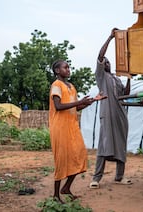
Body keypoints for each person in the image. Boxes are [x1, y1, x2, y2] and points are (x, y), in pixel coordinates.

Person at [49, 59, 106, 203]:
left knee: (79, 156)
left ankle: (66, 188)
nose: (68, 69)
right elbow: (58, 106)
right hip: (60, 127)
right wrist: (80, 102)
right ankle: (56, 195)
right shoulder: (56, 85)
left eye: (69, 67)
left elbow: (76, 107)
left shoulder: (71, 87)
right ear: (57, 71)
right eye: (65, 67)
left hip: (72, 126)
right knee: (62, 160)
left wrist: (93, 100)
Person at [89, 28, 132, 189]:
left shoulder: (116, 79)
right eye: (104, 61)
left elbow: (125, 94)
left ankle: (119, 176)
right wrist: (110, 38)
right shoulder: (101, 77)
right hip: (107, 115)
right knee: (104, 145)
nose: (106, 62)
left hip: (120, 116)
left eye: (108, 61)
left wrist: (129, 79)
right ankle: (96, 178)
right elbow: (100, 56)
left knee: (121, 145)